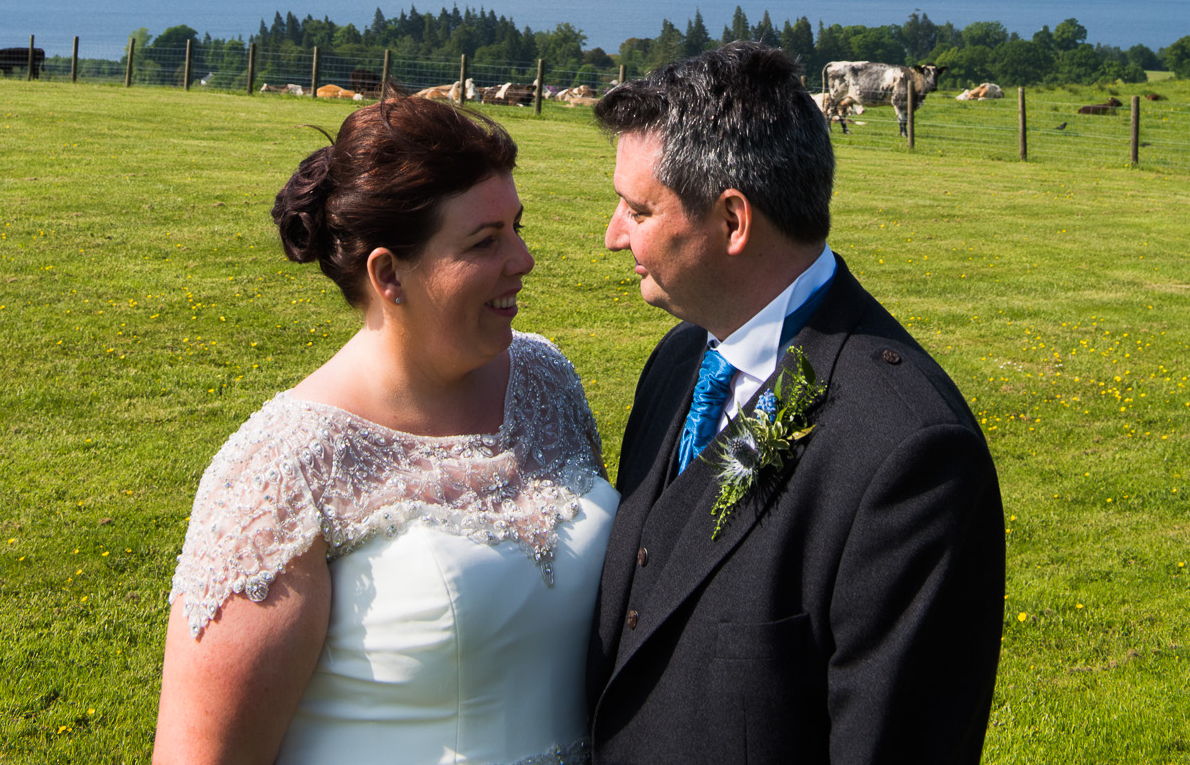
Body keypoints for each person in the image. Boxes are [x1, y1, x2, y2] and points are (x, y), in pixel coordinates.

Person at [155, 93, 616, 765]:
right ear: (388, 273)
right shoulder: (283, 469)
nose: (523, 259)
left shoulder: (545, 379)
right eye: (486, 241)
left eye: (516, 227)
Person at [587, 42, 1005, 765]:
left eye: (636, 209)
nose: (612, 235)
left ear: (732, 221)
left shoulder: (906, 452)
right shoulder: (676, 362)